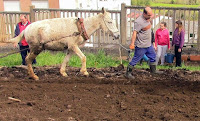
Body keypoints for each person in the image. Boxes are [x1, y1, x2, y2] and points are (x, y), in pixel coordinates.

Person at [126, 7, 162, 79]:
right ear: (144, 14)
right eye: (149, 15)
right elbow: (135, 33)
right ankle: (128, 73)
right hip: (141, 45)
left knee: (153, 56)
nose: (150, 17)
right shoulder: (138, 22)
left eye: (151, 15)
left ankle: (153, 71)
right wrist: (132, 43)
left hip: (149, 45)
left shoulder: (147, 19)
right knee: (136, 59)